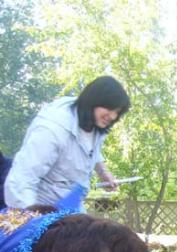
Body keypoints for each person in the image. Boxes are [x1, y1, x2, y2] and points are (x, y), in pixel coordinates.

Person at [4, 76, 130, 209]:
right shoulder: (52, 129)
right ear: (94, 100)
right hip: (40, 206)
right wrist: (31, 221)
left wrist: (103, 172)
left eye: (116, 112)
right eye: (109, 108)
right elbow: (21, 180)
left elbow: (91, 151)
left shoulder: (93, 122)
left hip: (72, 204)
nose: (112, 116)